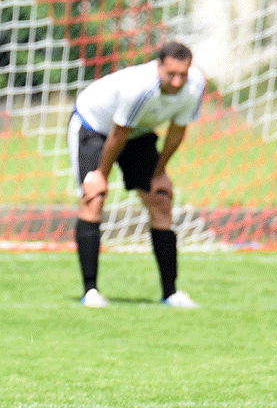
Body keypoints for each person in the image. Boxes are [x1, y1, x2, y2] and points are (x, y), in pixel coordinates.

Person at [70, 41, 206, 309]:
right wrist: (100, 175)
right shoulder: (140, 89)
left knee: (161, 199)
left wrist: (159, 174)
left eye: (183, 74)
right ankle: (91, 291)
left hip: (138, 133)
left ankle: (171, 293)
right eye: (171, 74)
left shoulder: (195, 86)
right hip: (95, 127)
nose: (177, 81)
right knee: (94, 197)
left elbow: (177, 132)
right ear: (158, 67)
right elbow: (117, 135)